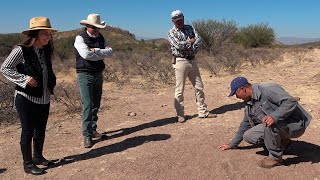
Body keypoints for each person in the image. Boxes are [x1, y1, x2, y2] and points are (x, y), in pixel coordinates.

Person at [0, 16, 58, 175]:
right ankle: (28, 164)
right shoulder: (21, 50)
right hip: (26, 97)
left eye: (49, 34)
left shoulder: (45, 49)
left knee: (41, 129)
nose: (48, 37)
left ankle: (38, 157)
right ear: (35, 34)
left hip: (44, 96)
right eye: (45, 33)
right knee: (28, 130)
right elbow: (5, 68)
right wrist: (24, 79)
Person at [218, 76, 312, 168]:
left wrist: (274, 116)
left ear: (243, 89)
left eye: (236, 94)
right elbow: (245, 124)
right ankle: (283, 142)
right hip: (280, 126)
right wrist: (232, 144)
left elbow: (291, 101)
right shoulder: (249, 103)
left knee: (269, 122)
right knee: (248, 135)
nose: (237, 97)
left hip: (296, 123)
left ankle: (275, 158)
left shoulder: (268, 89)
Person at [168, 10, 216, 123]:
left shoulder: (190, 28)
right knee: (179, 89)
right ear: (173, 21)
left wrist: (190, 47)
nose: (179, 22)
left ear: (183, 18)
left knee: (199, 86)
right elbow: (178, 45)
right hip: (180, 61)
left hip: (192, 60)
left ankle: (203, 112)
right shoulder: (171, 32)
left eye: (180, 20)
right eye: (176, 21)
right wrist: (191, 42)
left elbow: (199, 40)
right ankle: (180, 115)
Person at [74, 14, 113, 148]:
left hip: (98, 73)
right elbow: (86, 55)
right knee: (88, 104)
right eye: (93, 27)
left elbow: (110, 52)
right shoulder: (80, 38)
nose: (96, 30)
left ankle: (93, 129)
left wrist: (96, 51)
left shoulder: (100, 37)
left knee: (96, 103)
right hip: (85, 74)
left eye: (97, 28)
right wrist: (101, 53)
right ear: (87, 26)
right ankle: (87, 135)